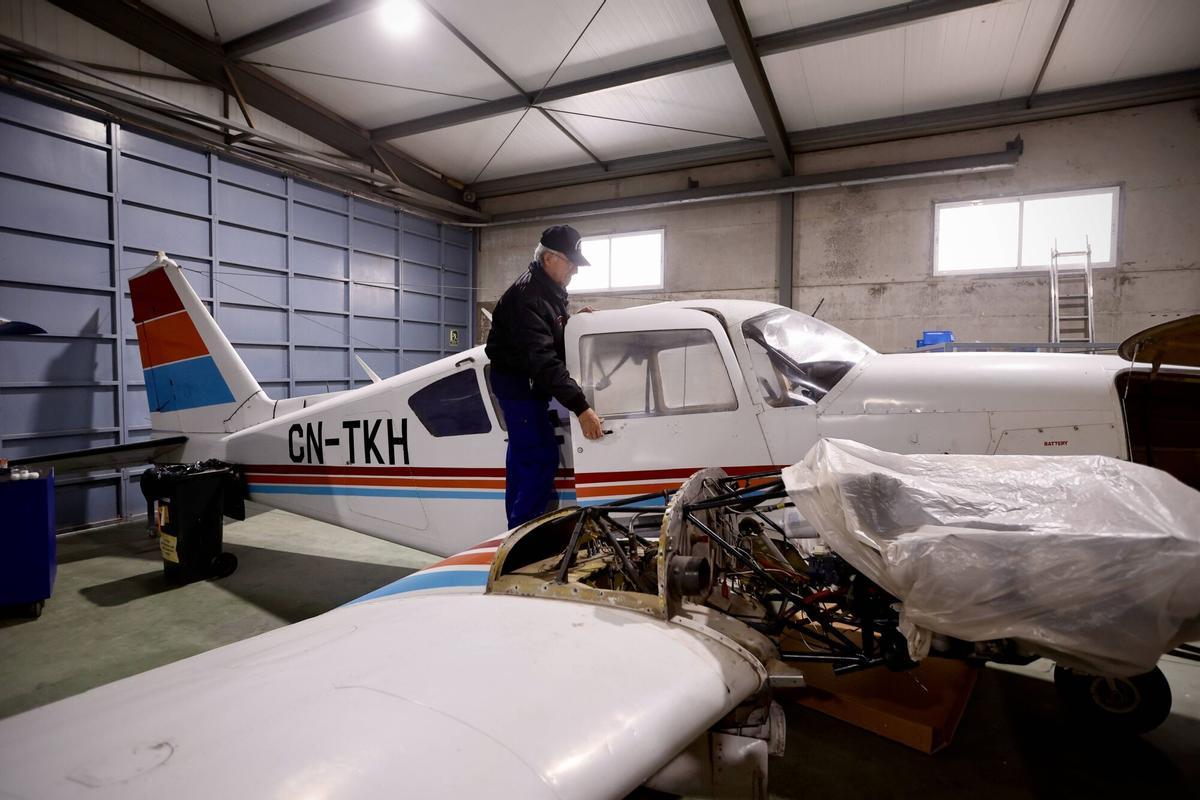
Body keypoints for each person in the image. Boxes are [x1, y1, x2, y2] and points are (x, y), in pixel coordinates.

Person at [486, 225, 605, 529]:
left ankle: (517, 529)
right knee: (538, 458)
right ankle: (522, 539)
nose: (575, 270)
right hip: (520, 388)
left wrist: (571, 324)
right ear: (549, 258)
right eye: (571, 262)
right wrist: (582, 408)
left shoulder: (548, 289)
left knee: (523, 458)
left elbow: (545, 333)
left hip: (525, 386)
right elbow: (542, 360)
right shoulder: (528, 296)